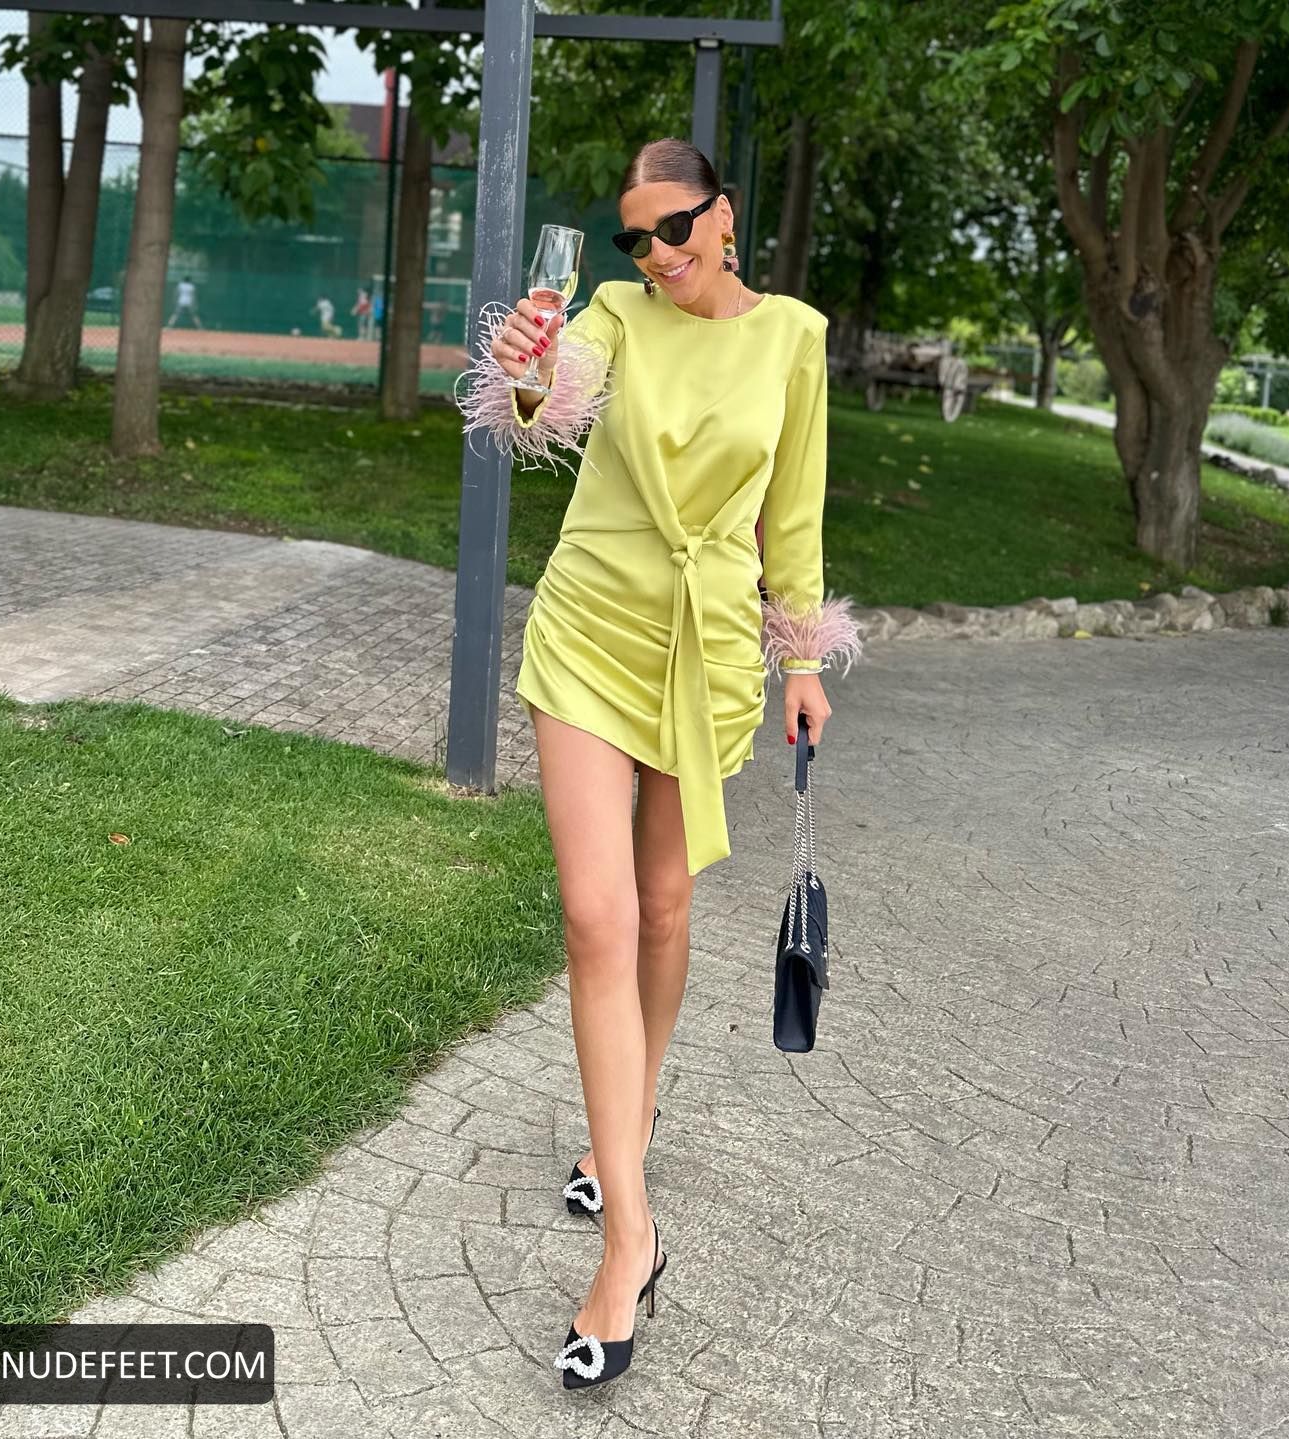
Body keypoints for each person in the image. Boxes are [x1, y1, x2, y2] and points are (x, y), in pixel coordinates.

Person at [455, 137, 863, 1391]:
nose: (657, 254)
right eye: (636, 237)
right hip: (592, 626)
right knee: (599, 915)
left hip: (710, 645)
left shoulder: (792, 337)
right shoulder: (617, 314)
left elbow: (794, 510)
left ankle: (623, 1125)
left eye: (675, 228)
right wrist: (529, 368)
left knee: (667, 904)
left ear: (724, 215)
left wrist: (803, 657)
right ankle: (630, 1235)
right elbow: (557, 397)